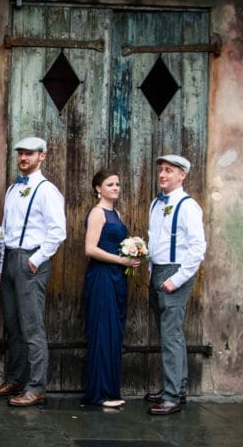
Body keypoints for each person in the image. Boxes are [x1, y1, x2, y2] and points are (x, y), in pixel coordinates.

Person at [0, 135, 67, 407]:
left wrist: (36, 260)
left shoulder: (47, 190)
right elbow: (6, 231)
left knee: (32, 326)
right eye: (21, 154)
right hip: (10, 258)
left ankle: (36, 387)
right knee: (13, 324)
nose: (23, 158)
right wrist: (1, 266)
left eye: (29, 154)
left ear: (41, 157)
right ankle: (16, 379)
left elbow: (58, 231)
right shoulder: (13, 189)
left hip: (31, 260)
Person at [144, 154, 206, 415]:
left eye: (169, 171)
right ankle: (177, 386)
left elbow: (197, 248)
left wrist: (177, 278)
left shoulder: (188, 206)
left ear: (182, 175)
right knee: (171, 334)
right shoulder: (155, 204)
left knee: (170, 336)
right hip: (158, 271)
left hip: (175, 272)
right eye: (161, 170)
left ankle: (171, 397)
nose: (162, 175)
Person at [82, 169, 140, 409]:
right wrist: (122, 260)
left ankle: (109, 389)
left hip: (116, 278)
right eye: (110, 184)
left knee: (113, 333)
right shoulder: (97, 213)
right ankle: (100, 393)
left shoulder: (115, 213)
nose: (115, 187)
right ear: (98, 188)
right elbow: (90, 249)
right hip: (102, 277)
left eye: (117, 184)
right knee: (103, 332)